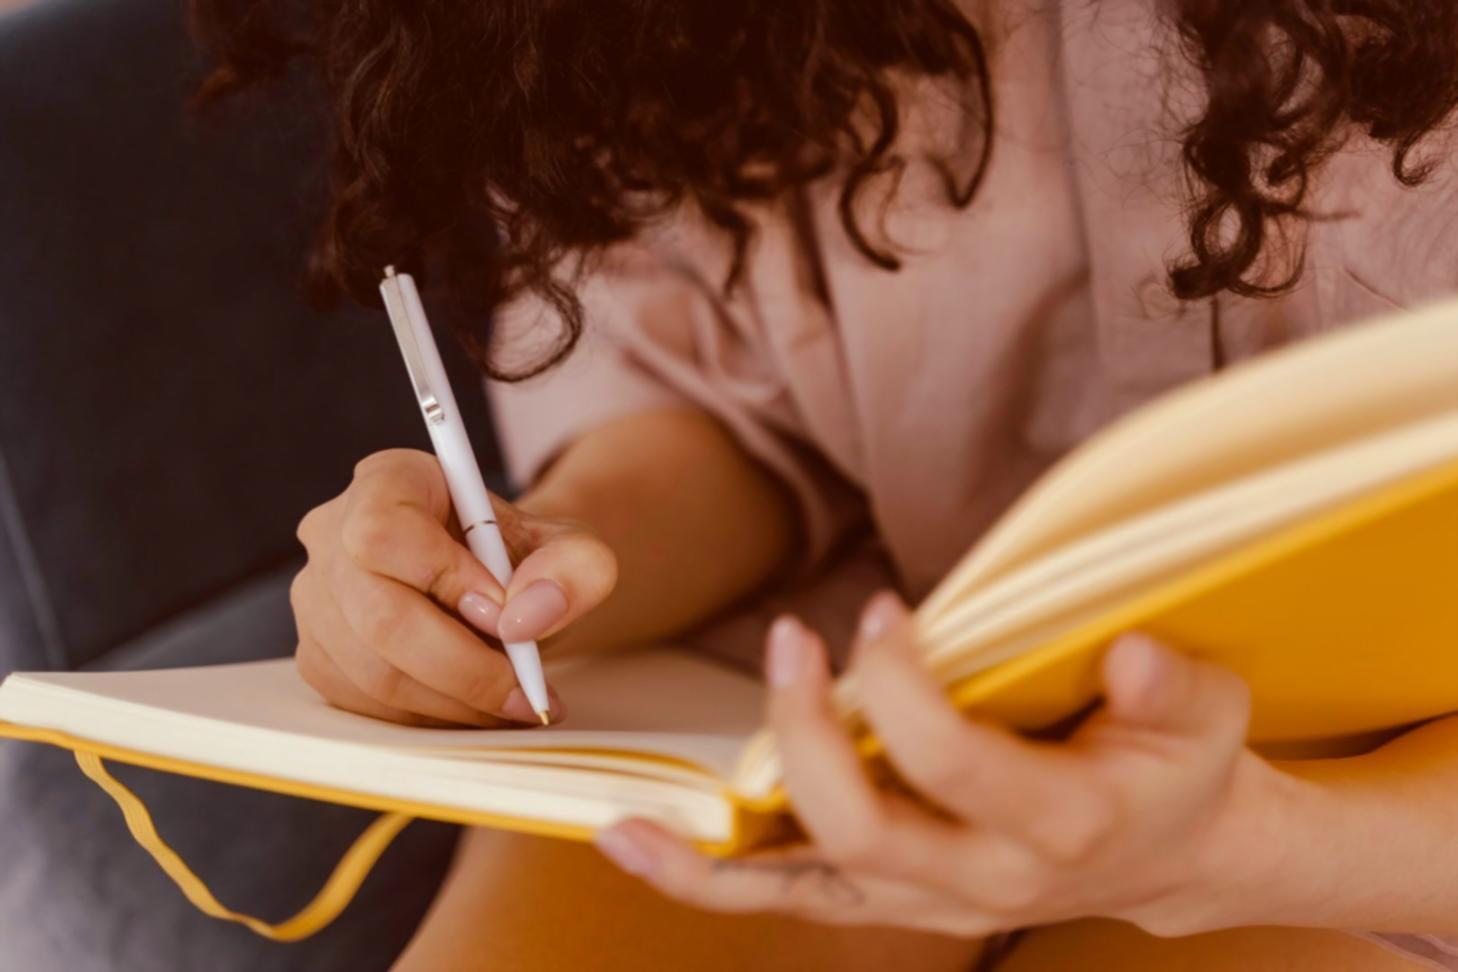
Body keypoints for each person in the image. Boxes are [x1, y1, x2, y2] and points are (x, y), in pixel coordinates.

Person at [196, 0, 1458, 968]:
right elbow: (719, 406)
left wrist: (1261, 851)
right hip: (840, 669)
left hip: (1390, 800)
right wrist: (533, 564)